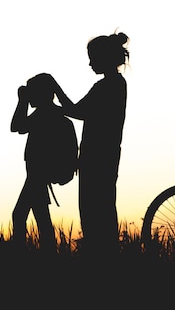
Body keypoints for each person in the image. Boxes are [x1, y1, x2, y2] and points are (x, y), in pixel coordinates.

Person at [54, 31, 129, 260]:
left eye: (92, 58)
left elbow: (76, 111)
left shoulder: (107, 86)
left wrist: (54, 88)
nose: (89, 63)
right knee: (104, 211)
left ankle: (101, 260)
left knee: (94, 214)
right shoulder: (117, 84)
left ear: (103, 57)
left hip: (97, 161)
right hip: (105, 159)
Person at [10, 73, 78, 255]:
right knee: (41, 218)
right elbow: (18, 127)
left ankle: (22, 256)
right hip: (38, 175)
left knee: (19, 215)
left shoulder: (45, 114)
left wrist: (22, 101)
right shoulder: (51, 113)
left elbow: (17, 126)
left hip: (38, 175)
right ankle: (48, 255)